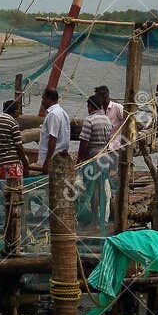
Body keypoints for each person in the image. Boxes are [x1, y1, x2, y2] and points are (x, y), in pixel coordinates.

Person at [78, 95, 116, 224]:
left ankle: (94, 217)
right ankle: (103, 217)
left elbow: (84, 142)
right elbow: (108, 139)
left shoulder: (89, 120)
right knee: (102, 187)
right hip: (105, 157)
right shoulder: (107, 120)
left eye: (88, 106)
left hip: (93, 158)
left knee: (93, 189)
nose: (87, 109)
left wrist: (80, 160)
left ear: (92, 106)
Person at [0, 98, 26, 180]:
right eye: (18, 111)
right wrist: (25, 164)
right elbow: (19, 147)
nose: (19, 113)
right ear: (14, 111)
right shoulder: (13, 124)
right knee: (15, 189)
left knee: (5, 189)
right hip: (12, 164)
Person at [37, 87, 72, 173]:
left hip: (53, 159)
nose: (42, 101)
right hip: (60, 157)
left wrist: (47, 161)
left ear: (49, 99)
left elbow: (53, 138)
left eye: (43, 98)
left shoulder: (53, 114)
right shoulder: (63, 113)